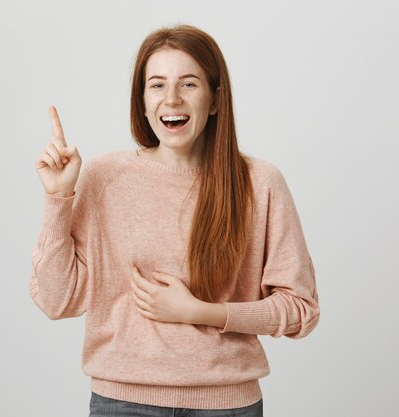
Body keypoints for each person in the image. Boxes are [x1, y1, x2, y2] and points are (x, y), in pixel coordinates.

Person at [30, 24, 320, 417]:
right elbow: (56, 300)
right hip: (122, 404)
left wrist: (200, 311)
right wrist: (58, 198)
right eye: (156, 85)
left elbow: (301, 309)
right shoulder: (104, 177)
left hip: (227, 406)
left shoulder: (259, 182)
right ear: (143, 100)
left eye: (188, 84)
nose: (171, 99)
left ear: (215, 100)